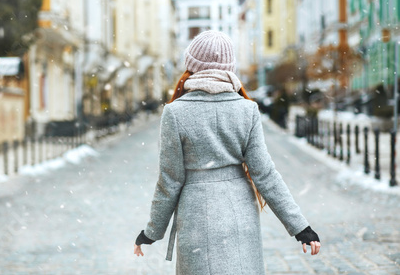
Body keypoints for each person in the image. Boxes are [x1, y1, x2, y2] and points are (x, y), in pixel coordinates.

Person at [133, 30, 320, 274]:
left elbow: (170, 181)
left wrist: (151, 232)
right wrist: (300, 227)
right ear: (229, 68)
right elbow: (265, 174)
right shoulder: (247, 109)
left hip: (196, 218)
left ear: (192, 65)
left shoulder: (175, 112)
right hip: (240, 215)